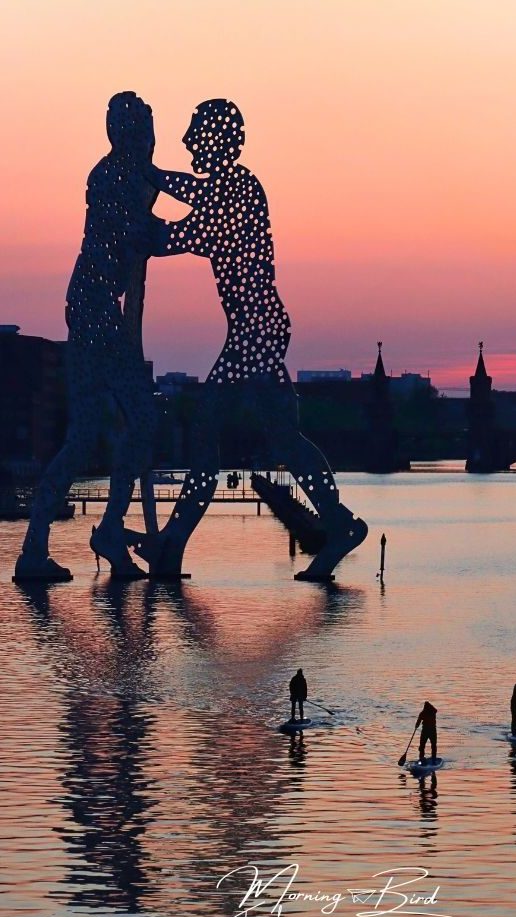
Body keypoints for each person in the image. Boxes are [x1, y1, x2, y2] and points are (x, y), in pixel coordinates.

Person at [124, 99, 367, 579]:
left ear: (216, 139)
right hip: (256, 329)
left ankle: (172, 544)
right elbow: (190, 190)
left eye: (195, 132)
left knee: (208, 432)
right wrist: (150, 175)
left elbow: (183, 234)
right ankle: (338, 524)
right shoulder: (229, 187)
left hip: (255, 332)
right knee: (281, 436)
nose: (188, 141)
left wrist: (145, 213)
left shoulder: (238, 190)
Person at [15, 92, 158, 580]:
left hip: (95, 312)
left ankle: (37, 547)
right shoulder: (112, 178)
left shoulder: (132, 176)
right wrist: (204, 230)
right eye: (143, 130)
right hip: (95, 314)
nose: (149, 139)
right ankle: (107, 531)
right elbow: (144, 235)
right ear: (125, 134)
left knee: (85, 434)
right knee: (140, 420)